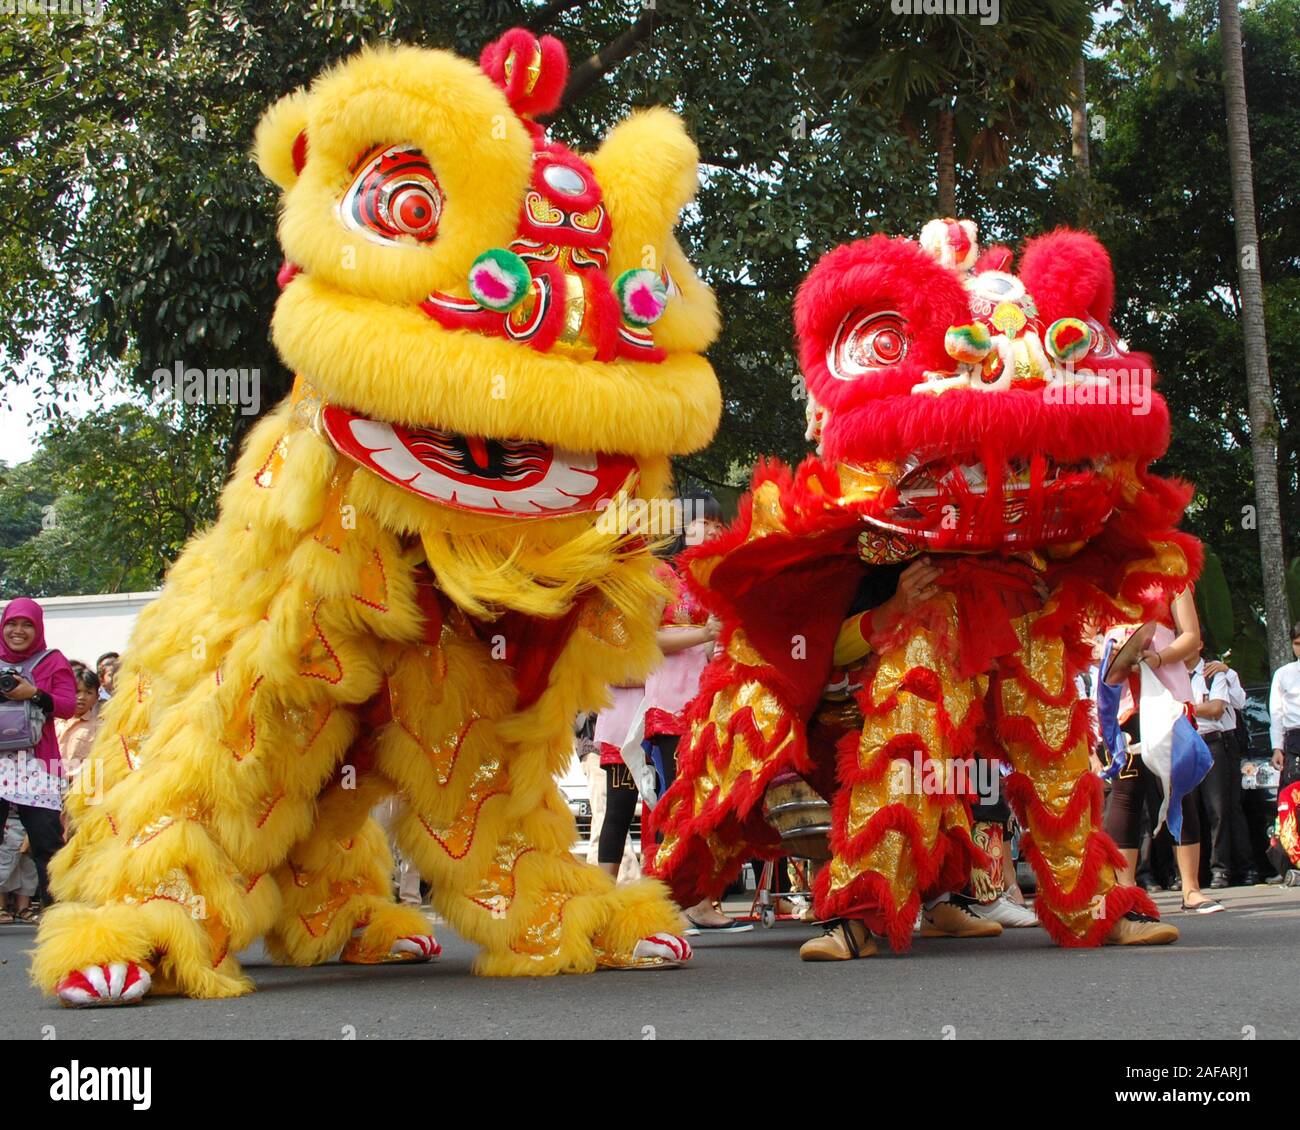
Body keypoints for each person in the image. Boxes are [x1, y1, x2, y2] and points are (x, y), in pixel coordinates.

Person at [1100, 589, 1223, 914]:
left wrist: (1156, 658)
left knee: (1180, 789)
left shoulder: (1172, 575)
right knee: (1126, 792)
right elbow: (1086, 635)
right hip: (1122, 699)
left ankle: (1191, 888)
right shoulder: (1103, 573)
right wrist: (1113, 654)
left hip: (1168, 695)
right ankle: (1125, 891)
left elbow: (1191, 637)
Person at [0, 598, 76, 918]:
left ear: (38, 627)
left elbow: (68, 705)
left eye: (27, 624)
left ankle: (57, 914)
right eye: (12, 624)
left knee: (47, 843)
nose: (18, 631)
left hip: (38, 764)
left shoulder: (52, 661)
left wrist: (33, 693)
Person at [1189, 648, 1255, 887]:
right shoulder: (1171, 675)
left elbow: (1217, 709)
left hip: (1216, 741)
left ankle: (1223, 869)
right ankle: (1193, 872)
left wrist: (1182, 708)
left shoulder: (1213, 672)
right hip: (1186, 743)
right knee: (1190, 809)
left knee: (1221, 808)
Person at [1267, 622, 1300, 881]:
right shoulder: (1284, 673)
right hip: (1294, 741)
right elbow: (1276, 713)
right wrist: (1277, 747)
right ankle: (1288, 862)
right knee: (1289, 803)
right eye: (1297, 644)